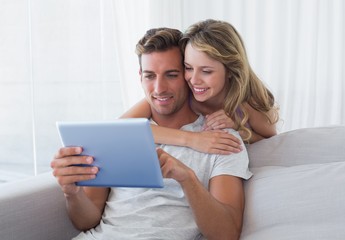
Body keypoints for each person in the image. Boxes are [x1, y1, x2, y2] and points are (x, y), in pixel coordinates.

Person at [51, 27, 252, 240]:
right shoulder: (118, 136)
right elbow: (86, 221)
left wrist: (188, 179)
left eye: (171, 75)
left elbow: (227, 233)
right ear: (140, 76)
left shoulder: (221, 140)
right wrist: (72, 193)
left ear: (187, 75)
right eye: (149, 76)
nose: (159, 88)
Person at [122, 19, 279, 148]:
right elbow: (123, 128)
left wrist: (238, 128)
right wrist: (192, 139)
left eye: (206, 71)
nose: (194, 80)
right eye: (188, 68)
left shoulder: (249, 101)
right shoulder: (184, 92)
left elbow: (271, 141)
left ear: (231, 70)